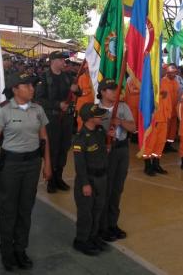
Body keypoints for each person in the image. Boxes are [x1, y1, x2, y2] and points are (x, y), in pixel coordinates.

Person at [0, 71, 52, 271]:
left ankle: (21, 249)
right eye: (27, 85)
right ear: (15, 89)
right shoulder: (3, 110)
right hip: (10, 167)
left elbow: (44, 139)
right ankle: (7, 252)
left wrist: (47, 164)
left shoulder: (38, 109)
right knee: (8, 211)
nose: (32, 88)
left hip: (32, 165)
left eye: (33, 85)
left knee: (25, 209)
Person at [96, 78, 135, 243]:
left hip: (121, 150)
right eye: (111, 90)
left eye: (116, 90)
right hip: (105, 152)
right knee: (106, 188)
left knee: (117, 189)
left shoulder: (123, 107)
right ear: (103, 92)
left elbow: (133, 128)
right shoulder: (95, 109)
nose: (115, 93)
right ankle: (102, 225)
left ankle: (112, 223)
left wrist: (119, 121)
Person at [35, 51, 80, 193]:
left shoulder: (67, 77)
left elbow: (79, 93)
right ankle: (51, 180)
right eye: (61, 60)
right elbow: (39, 99)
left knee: (64, 148)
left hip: (66, 119)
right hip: (52, 119)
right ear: (53, 61)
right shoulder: (44, 77)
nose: (64, 62)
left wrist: (77, 89)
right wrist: (57, 104)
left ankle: (59, 177)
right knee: (52, 149)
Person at [72, 103, 108, 256]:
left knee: (97, 209)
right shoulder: (80, 138)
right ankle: (81, 240)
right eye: (98, 115)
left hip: (101, 178)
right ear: (89, 119)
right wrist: (85, 184)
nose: (102, 117)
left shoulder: (100, 131)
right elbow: (79, 165)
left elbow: (102, 152)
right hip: (88, 180)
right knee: (86, 212)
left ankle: (93, 237)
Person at [142, 79, 172, 176]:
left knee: (160, 143)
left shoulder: (165, 84)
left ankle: (156, 164)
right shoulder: (149, 83)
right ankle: (147, 166)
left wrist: (168, 115)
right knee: (150, 143)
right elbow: (147, 100)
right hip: (154, 120)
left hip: (163, 120)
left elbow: (169, 101)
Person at [161, 64, 181, 152]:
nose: (174, 74)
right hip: (165, 111)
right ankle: (162, 146)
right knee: (165, 129)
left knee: (172, 130)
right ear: (167, 73)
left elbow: (177, 94)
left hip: (174, 110)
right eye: (173, 73)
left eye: (175, 73)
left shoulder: (176, 82)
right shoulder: (162, 81)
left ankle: (169, 145)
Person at [75, 62, 95, 131]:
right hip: (82, 106)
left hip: (92, 106)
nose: (87, 70)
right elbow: (81, 91)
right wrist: (89, 89)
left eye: (88, 68)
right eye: (86, 68)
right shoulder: (81, 78)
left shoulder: (94, 78)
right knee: (81, 123)